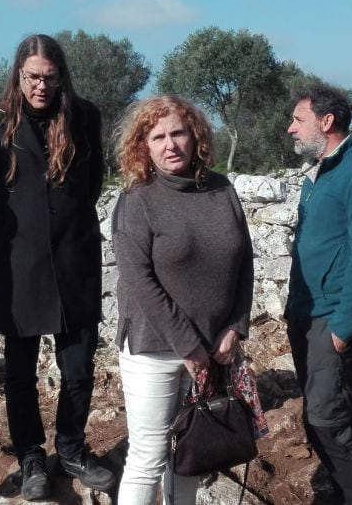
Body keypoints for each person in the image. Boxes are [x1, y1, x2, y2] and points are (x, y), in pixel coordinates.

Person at [0, 34, 113, 500]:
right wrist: (13, 237)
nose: (41, 86)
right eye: (32, 77)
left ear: (61, 75)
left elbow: (91, 183)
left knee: (79, 366)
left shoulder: (85, 117)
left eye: (49, 77)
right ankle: (30, 457)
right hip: (19, 266)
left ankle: (70, 448)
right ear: (18, 75)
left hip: (75, 261)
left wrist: (64, 229)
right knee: (20, 372)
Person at [110, 96, 254, 505]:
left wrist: (235, 326)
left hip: (215, 347)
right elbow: (139, 280)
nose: (170, 144)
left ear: (195, 137)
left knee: (192, 453)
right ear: (144, 146)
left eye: (178, 133)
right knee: (148, 458)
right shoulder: (137, 201)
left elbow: (244, 262)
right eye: (158, 137)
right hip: (154, 350)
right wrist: (188, 346)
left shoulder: (222, 190)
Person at [285, 84, 352, 504]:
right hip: (307, 315)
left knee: (327, 417)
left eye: (299, 119)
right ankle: (349, 490)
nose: (291, 128)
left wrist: (343, 327)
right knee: (324, 415)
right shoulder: (320, 173)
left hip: (333, 319)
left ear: (326, 122)